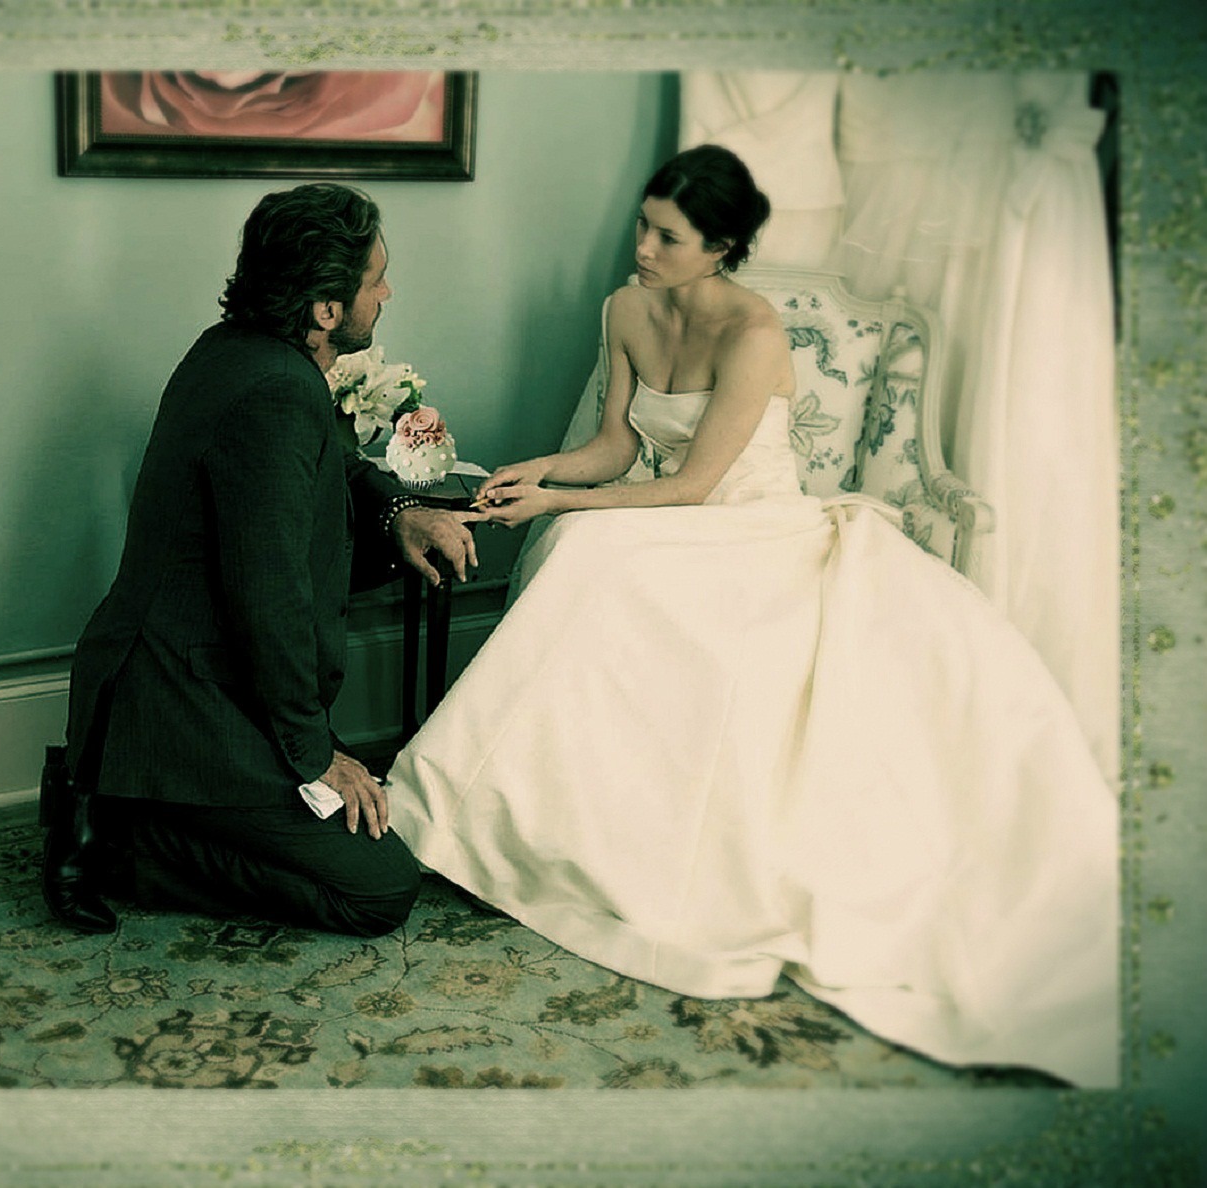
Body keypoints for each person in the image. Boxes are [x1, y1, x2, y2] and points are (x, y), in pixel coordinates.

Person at [384, 145, 1119, 1088]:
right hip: (665, 520)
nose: (643, 249)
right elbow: (616, 447)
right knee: (581, 550)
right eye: (643, 226)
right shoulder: (625, 309)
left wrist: (560, 506)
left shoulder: (755, 332)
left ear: (721, 247)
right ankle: (502, 820)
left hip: (754, 529)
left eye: (668, 237)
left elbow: (695, 485)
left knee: (591, 550)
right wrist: (543, 471)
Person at [41, 182, 481, 940]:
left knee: (366, 832)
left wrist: (401, 511)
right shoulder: (277, 389)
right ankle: (119, 840)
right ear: (326, 310)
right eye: (376, 280)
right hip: (189, 702)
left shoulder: (236, 350)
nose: (387, 293)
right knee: (379, 889)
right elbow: (268, 603)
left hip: (185, 677)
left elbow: (334, 464)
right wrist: (317, 757)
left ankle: (120, 806)